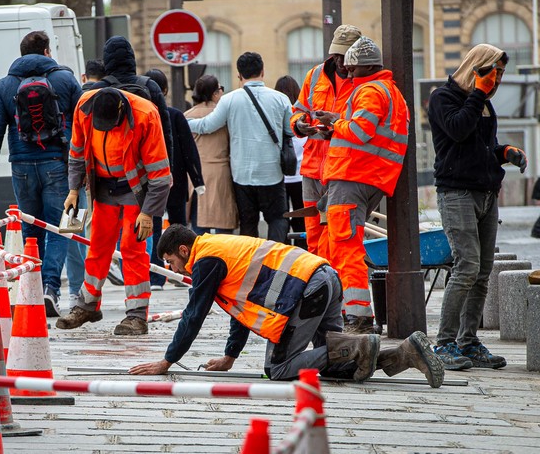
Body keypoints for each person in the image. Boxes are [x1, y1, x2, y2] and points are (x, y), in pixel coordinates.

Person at [129, 225, 444, 388]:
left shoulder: (205, 259)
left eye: (172, 261)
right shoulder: (217, 249)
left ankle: (361, 345)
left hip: (307, 289)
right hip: (324, 278)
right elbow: (242, 308)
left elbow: (193, 316)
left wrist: (167, 361)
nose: (177, 269)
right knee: (336, 365)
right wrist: (230, 356)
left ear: (183, 250)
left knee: (277, 370)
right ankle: (406, 353)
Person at [429, 44, 525, 370]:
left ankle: (467, 342)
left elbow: (479, 146)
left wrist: (504, 153)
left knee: (482, 273)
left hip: (485, 193)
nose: (496, 82)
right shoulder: (444, 98)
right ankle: (443, 344)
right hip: (456, 194)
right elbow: (457, 130)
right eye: (492, 74)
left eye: (500, 76)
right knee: (466, 267)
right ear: (477, 69)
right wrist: (478, 95)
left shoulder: (482, 104)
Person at [56, 87, 171, 335]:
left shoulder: (145, 114)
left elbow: (161, 173)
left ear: (121, 111)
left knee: (133, 248)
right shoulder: (84, 107)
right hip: (102, 187)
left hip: (135, 189)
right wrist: (73, 189)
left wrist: (148, 212)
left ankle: (137, 315)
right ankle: (87, 305)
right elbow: (76, 152)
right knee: (97, 244)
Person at [314, 36, 409, 335]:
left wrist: (333, 124)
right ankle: (349, 312)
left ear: (365, 67)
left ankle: (357, 317)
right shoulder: (390, 91)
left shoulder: (369, 91)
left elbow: (359, 130)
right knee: (342, 245)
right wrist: (339, 118)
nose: (348, 75)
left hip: (353, 176)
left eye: (352, 70)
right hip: (371, 178)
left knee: (346, 248)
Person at [0, 30, 83, 317]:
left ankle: (33, 289)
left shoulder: (5, 85)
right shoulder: (65, 79)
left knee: (30, 229)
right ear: (46, 51)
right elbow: (83, 123)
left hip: (21, 166)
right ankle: (51, 288)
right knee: (63, 228)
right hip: (59, 165)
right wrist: (83, 167)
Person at [186, 52, 292, 243]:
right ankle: (276, 263)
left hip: (242, 175)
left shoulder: (229, 100)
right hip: (272, 173)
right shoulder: (281, 99)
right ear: (262, 71)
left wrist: (183, 122)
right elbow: (290, 130)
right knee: (277, 219)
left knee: (248, 224)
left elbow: (207, 126)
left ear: (239, 75)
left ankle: (250, 266)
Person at [290, 25, 362, 258]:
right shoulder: (315, 75)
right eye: (337, 54)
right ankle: (319, 284)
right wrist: (299, 123)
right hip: (313, 169)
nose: (340, 61)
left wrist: (337, 125)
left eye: (345, 55)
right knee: (313, 235)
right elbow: (299, 109)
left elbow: (363, 124)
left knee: (336, 236)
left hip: (342, 170)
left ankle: (331, 286)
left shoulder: (362, 81)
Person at [144, 68, 204, 290]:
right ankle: (185, 273)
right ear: (165, 90)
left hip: (151, 181)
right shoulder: (175, 115)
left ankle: (156, 277)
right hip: (176, 178)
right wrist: (197, 180)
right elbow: (189, 150)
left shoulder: (142, 113)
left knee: (155, 227)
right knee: (180, 227)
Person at [91, 36, 173, 164]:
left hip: (109, 171)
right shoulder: (150, 87)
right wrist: (168, 171)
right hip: (144, 169)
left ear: (106, 61)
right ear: (131, 59)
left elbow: (86, 135)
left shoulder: (97, 90)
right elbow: (165, 132)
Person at [185, 75, 238, 236]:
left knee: (199, 229)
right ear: (214, 93)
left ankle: (202, 260)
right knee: (224, 228)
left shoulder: (187, 115)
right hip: (221, 172)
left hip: (195, 176)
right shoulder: (224, 116)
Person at [275, 75, 307, 248]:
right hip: (301, 175)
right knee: (302, 221)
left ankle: (284, 257)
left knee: (281, 221)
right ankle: (303, 255)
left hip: (280, 175)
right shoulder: (302, 115)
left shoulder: (275, 115)